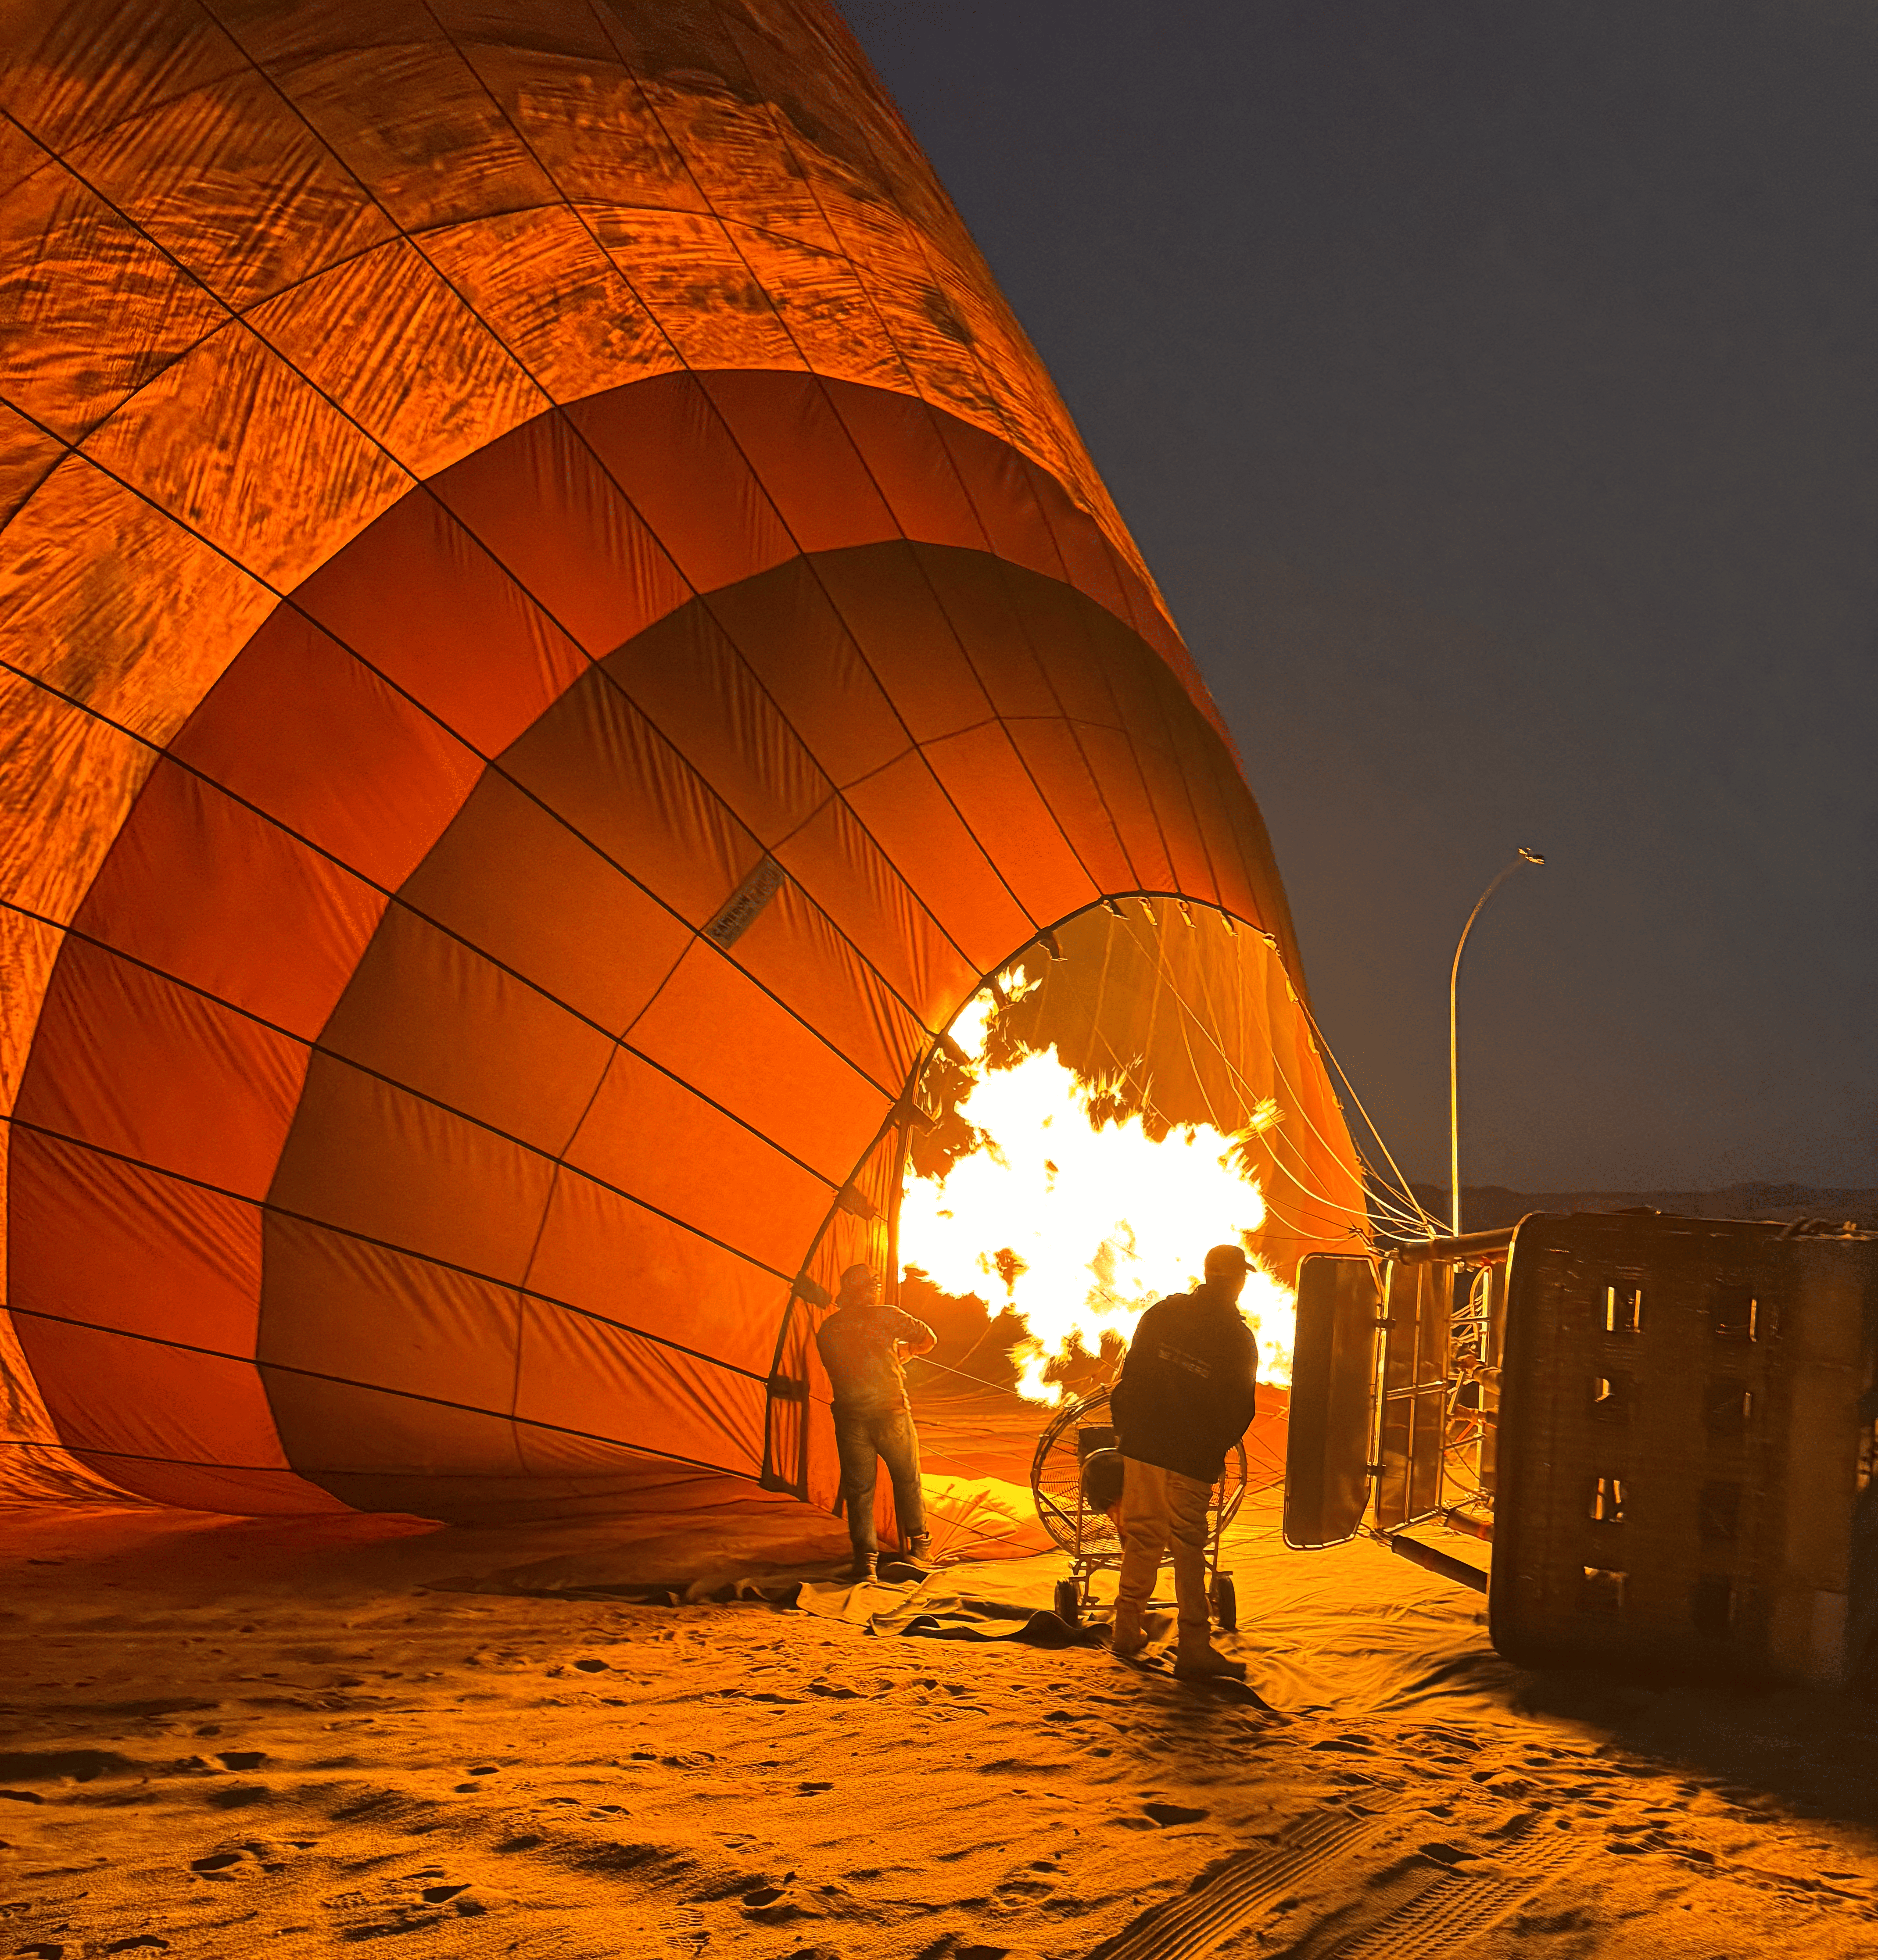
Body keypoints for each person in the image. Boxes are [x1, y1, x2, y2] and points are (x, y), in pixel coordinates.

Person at [1106, 1243, 1260, 1681]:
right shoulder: (1236, 1338)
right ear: (1238, 1280)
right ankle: (1193, 1644)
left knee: (1142, 1535)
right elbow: (1240, 1409)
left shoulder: (1161, 1314)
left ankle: (1126, 1627)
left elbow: (1130, 1374)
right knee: (1189, 1548)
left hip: (1144, 1447)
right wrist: (1210, 1449)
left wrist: (1128, 1434)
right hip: (1190, 1458)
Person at [814, 1263, 936, 1580]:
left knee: (859, 1491)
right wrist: (906, 1353)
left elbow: (845, 1364)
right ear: (867, 1290)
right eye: (876, 1285)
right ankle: (920, 1546)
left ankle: (865, 1562)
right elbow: (929, 1339)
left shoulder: (828, 1329)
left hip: (850, 1418)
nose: (879, 1288)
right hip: (890, 1413)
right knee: (907, 1480)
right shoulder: (887, 1315)